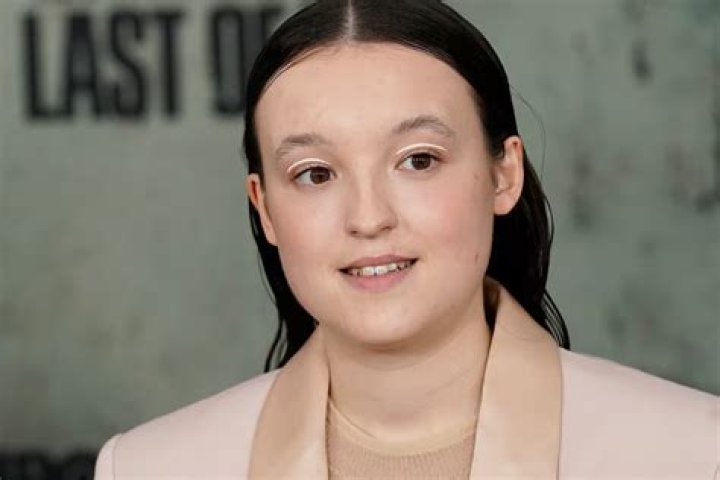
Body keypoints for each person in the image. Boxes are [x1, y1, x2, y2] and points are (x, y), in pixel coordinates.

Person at [95, 1, 719, 478]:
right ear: (265, 210)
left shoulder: (693, 452)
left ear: (504, 174)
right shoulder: (152, 467)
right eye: (315, 174)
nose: (369, 218)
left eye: (418, 160)